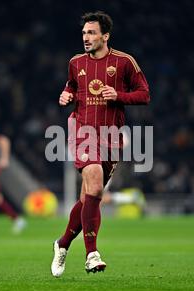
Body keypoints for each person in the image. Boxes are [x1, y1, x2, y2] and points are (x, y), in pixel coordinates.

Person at [51, 11, 150, 276]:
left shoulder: (124, 62)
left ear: (105, 36)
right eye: (84, 32)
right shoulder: (75, 62)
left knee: (89, 198)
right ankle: (91, 254)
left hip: (111, 137)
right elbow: (72, 85)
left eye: (92, 32)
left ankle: (62, 244)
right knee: (94, 184)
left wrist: (118, 95)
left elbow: (144, 94)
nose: (86, 37)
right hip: (83, 131)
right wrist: (66, 94)